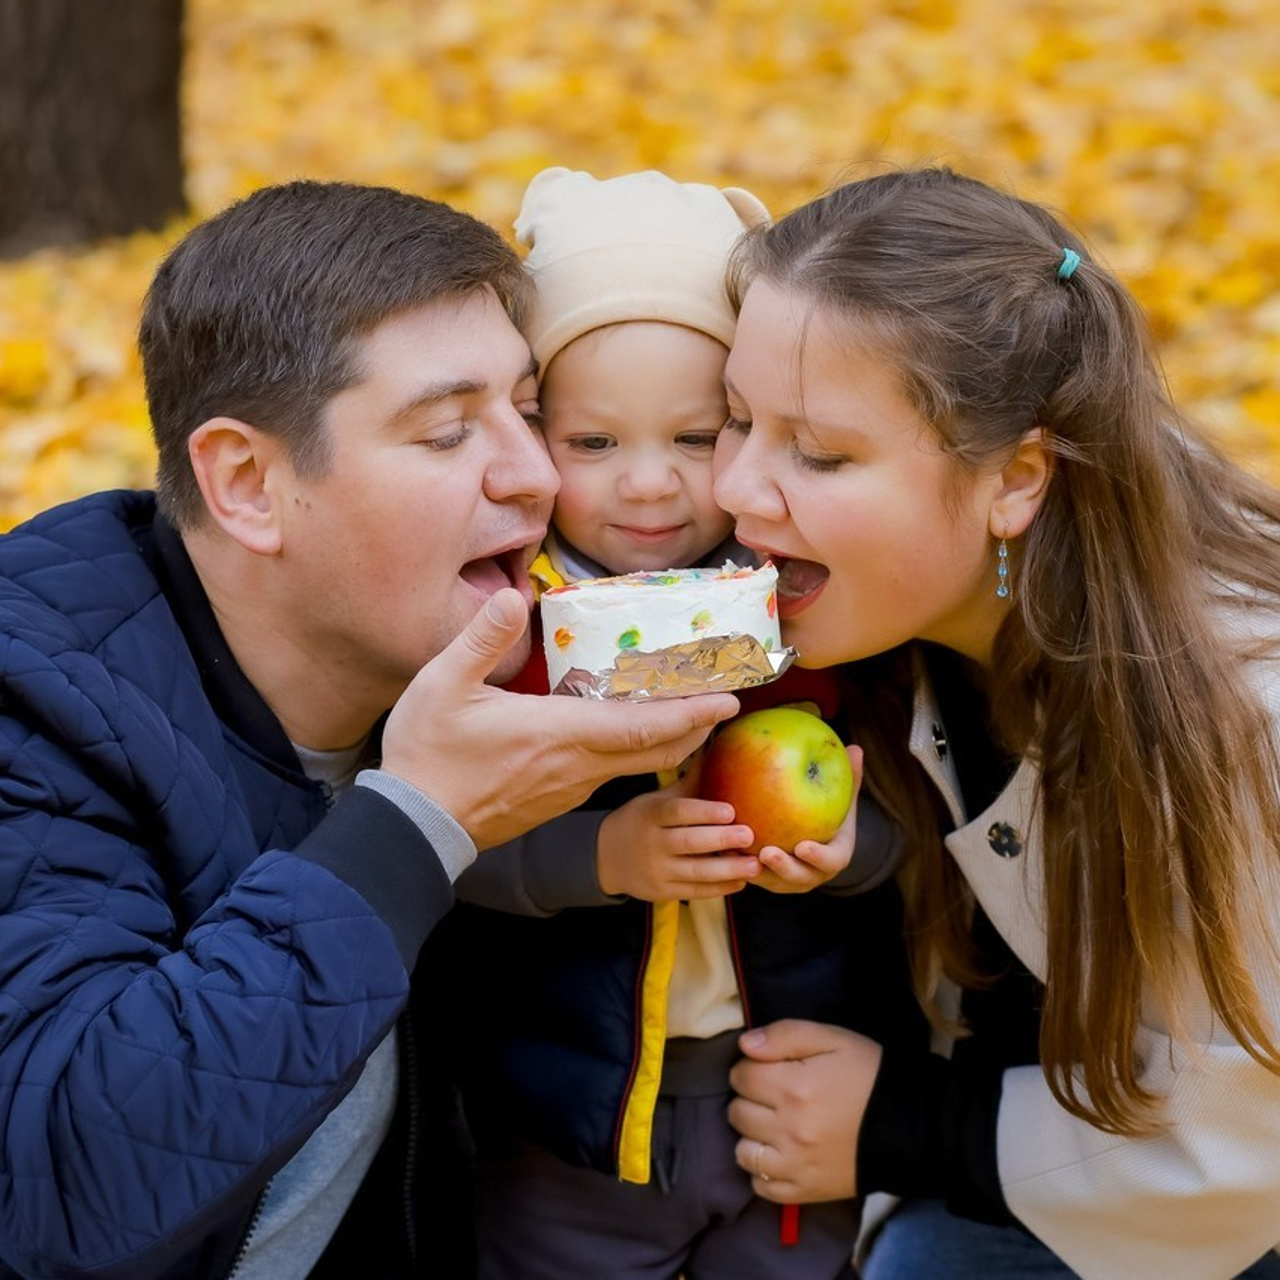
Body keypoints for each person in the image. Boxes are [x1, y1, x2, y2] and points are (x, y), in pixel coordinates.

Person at [0, 179, 742, 1280]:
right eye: (446, 432)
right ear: (247, 483)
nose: (535, 474)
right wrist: (414, 821)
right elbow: (64, 1187)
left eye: (531, 414)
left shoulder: (483, 674)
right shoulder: (36, 711)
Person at [712, 164, 1280, 1280]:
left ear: (1017, 476)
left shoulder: (1240, 724)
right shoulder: (903, 604)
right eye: (733, 419)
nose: (735, 486)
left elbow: (1253, 1136)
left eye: (817, 453)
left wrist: (904, 1125)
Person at [445, 168, 927, 1280]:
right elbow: (440, 829)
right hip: (571, 1121)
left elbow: (912, 807)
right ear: (528, 434)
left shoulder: (810, 603)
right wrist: (598, 853)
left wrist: (853, 855)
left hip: (786, 1100)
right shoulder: (500, 619)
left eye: (700, 436)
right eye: (594, 443)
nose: (651, 486)